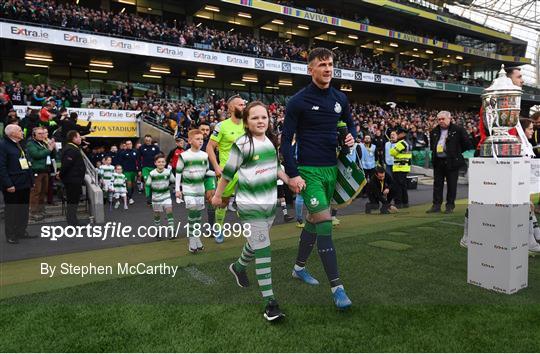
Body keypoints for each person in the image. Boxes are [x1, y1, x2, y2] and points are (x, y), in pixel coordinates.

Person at [280, 48, 356, 309]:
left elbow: (350, 125)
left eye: (330, 64)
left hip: (331, 169)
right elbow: (285, 142)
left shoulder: (340, 98)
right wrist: (293, 174)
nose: (327, 69)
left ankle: (299, 268)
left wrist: (350, 137)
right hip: (309, 171)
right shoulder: (298, 101)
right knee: (324, 221)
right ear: (310, 69)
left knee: (313, 220)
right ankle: (338, 288)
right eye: (322, 64)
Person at [212, 101, 289, 322]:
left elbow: (276, 168)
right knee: (264, 248)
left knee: (256, 243)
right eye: (254, 117)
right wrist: (218, 195)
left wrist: (289, 180)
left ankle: (238, 267)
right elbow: (227, 173)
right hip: (249, 205)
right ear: (246, 121)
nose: (260, 121)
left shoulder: (270, 143)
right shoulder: (241, 144)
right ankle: (270, 304)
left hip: (269, 204)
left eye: (263, 117)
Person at [206, 95, 246, 243]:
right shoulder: (221, 126)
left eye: (244, 104)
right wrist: (216, 166)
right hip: (227, 171)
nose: (244, 107)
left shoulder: (248, 124)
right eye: (240, 105)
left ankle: (249, 229)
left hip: (245, 170)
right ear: (231, 108)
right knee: (223, 203)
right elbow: (210, 147)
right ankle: (218, 228)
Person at [175, 129, 214, 253]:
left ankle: (197, 239)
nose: (200, 141)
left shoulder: (204, 155)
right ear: (190, 140)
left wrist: (219, 172)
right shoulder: (184, 155)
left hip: (200, 189)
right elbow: (178, 173)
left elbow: (207, 172)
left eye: (202, 139)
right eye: (197, 139)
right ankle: (192, 240)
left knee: (197, 215)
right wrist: (177, 189)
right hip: (188, 189)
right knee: (192, 212)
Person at [426, 111, 472, 214]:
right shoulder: (434, 131)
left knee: (452, 185)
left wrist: (456, 152)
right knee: (437, 184)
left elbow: (467, 144)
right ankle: (436, 205)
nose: (441, 121)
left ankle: (449, 206)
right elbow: (432, 146)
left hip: (452, 162)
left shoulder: (458, 130)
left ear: (449, 118)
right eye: (439, 119)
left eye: (443, 119)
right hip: (438, 161)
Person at [0, 124, 34, 244]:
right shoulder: (3, 145)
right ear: (12, 133)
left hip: (24, 183)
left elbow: (27, 162)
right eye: (19, 130)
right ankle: (11, 234)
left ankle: (21, 231)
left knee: (23, 210)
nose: (22, 132)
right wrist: (8, 184)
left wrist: (31, 181)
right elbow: (1, 167)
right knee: (12, 211)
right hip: (12, 184)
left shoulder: (21, 143)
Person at [27, 126, 56, 221]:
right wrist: (49, 149)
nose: (42, 135)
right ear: (34, 135)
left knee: (43, 192)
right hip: (36, 171)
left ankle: (41, 210)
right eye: (39, 133)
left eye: (43, 133)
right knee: (36, 192)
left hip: (45, 170)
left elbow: (52, 155)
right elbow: (36, 155)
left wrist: (52, 148)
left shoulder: (43, 143)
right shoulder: (31, 144)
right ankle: (33, 212)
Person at [60, 130, 86, 226]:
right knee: (72, 202)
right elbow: (66, 165)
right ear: (74, 138)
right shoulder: (70, 149)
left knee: (74, 202)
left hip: (75, 180)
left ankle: (74, 221)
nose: (80, 138)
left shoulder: (74, 148)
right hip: (72, 180)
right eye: (79, 137)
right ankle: (72, 223)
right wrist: (61, 176)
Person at [146, 153, 175, 239]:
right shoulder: (152, 173)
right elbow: (147, 185)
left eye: (163, 162)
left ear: (165, 163)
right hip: (156, 197)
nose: (161, 163)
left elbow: (173, 180)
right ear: (155, 163)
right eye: (159, 162)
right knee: (157, 215)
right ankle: (157, 230)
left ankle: (171, 231)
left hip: (166, 196)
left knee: (169, 211)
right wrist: (148, 197)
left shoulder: (168, 172)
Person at [390, 127, 411, 209]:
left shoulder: (402, 143)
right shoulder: (408, 142)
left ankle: (398, 203)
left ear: (402, 134)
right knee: (403, 186)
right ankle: (405, 202)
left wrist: (394, 145)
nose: (397, 136)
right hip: (404, 167)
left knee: (398, 186)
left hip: (399, 167)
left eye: (398, 134)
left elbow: (391, 152)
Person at [139, 134, 161, 205]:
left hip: (154, 168)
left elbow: (159, 158)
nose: (148, 141)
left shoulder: (156, 148)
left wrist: (160, 167)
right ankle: (148, 198)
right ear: (144, 140)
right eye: (146, 140)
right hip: (145, 168)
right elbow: (139, 159)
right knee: (147, 182)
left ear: (151, 140)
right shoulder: (141, 148)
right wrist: (139, 169)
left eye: (149, 140)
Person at [118, 140, 138, 205]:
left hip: (134, 171)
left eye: (130, 144)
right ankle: (130, 198)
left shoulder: (135, 152)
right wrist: (120, 171)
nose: (129, 145)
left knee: (132, 185)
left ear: (132, 144)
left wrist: (139, 169)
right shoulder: (123, 153)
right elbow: (120, 162)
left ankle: (128, 194)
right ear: (126, 145)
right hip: (126, 171)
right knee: (129, 184)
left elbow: (138, 161)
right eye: (127, 144)